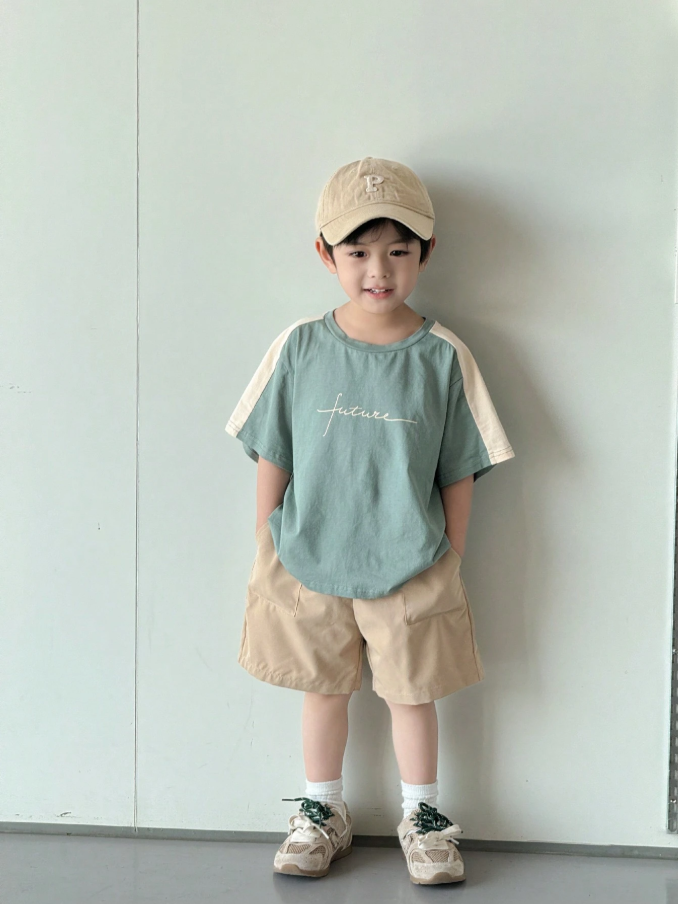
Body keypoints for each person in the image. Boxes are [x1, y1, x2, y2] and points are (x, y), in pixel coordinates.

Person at [225, 156, 515, 885]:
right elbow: (273, 451)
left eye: (397, 250)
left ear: (426, 252)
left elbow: (460, 467)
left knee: (413, 693)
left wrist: (449, 555)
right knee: (321, 689)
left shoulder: (443, 356)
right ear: (326, 254)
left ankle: (424, 817)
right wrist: (267, 542)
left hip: (411, 562)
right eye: (357, 251)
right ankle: (322, 810)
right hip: (309, 556)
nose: (378, 270)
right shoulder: (299, 346)